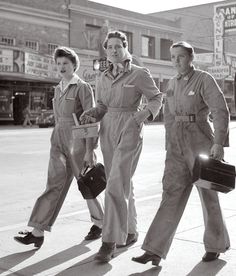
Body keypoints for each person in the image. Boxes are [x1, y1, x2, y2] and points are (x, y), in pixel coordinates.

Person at [132, 41, 230, 266]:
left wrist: (219, 143)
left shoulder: (204, 79)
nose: (176, 61)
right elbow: (168, 115)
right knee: (171, 193)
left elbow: (219, 110)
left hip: (200, 141)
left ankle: (215, 245)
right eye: (173, 57)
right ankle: (154, 250)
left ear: (190, 58)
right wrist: (169, 145)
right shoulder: (171, 83)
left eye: (181, 56)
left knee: (208, 195)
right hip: (176, 144)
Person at [80, 31, 163, 262]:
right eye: (110, 47)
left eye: (118, 46)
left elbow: (157, 98)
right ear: (106, 50)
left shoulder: (139, 73)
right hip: (107, 130)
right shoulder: (102, 77)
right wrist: (93, 112)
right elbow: (104, 106)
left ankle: (109, 242)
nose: (114, 50)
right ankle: (130, 231)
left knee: (116, 183)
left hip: (130, 129)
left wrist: (143, 114)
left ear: (125, 47)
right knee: (122, 182)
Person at [14, 46, 104, 248]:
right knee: (53, 184)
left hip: (77, 140)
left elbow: (90, 120)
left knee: (86, 183)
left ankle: (100, 223)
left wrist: (90, 149)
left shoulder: (82, 87)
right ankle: (37, 231)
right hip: (58, 139)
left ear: (74, 65)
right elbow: (57, 117)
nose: (62, 67)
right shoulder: (58, 88)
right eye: (59, 63)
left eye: (66, 63)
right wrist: (56, 137)